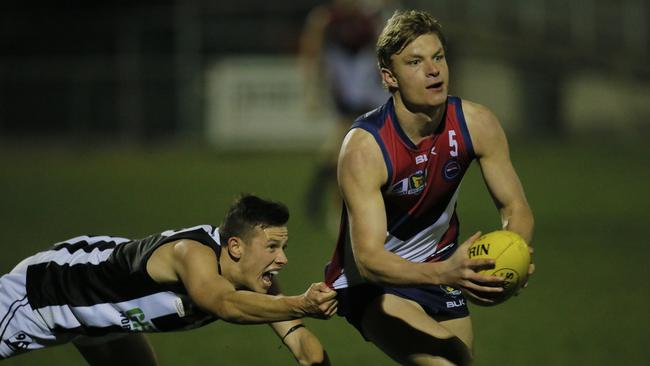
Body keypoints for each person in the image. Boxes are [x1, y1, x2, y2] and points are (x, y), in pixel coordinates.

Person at [324, 10, 535, 365]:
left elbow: (515, 208)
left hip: (442, 268)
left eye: (438, 57)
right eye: (415, 62)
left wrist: (514, 253)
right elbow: (370, 259)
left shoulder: (477, 123)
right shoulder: (365, 148)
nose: (433, 70)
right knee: (447, 362)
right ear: (389, 77)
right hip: (374, 283)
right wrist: (446, 272)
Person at [0, 194, 336, 365]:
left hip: (107, 320)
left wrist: (302, 316)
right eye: (273, 247)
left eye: (284, 247)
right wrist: (300, 303)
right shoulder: (192, 255)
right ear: (235, 246)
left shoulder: (254, 278)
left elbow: (301, 345)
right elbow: (224, 304)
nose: (283, 259)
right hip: (44, 294)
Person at [299, 0, 391, 226]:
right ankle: (334, 204)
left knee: (345, 149)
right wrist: (311, 88)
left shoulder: (371, 16)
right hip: (349, 92)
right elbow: (311, 51)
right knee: (347, 149)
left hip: (370, 90)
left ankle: (321, 193)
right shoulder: (325, 19)